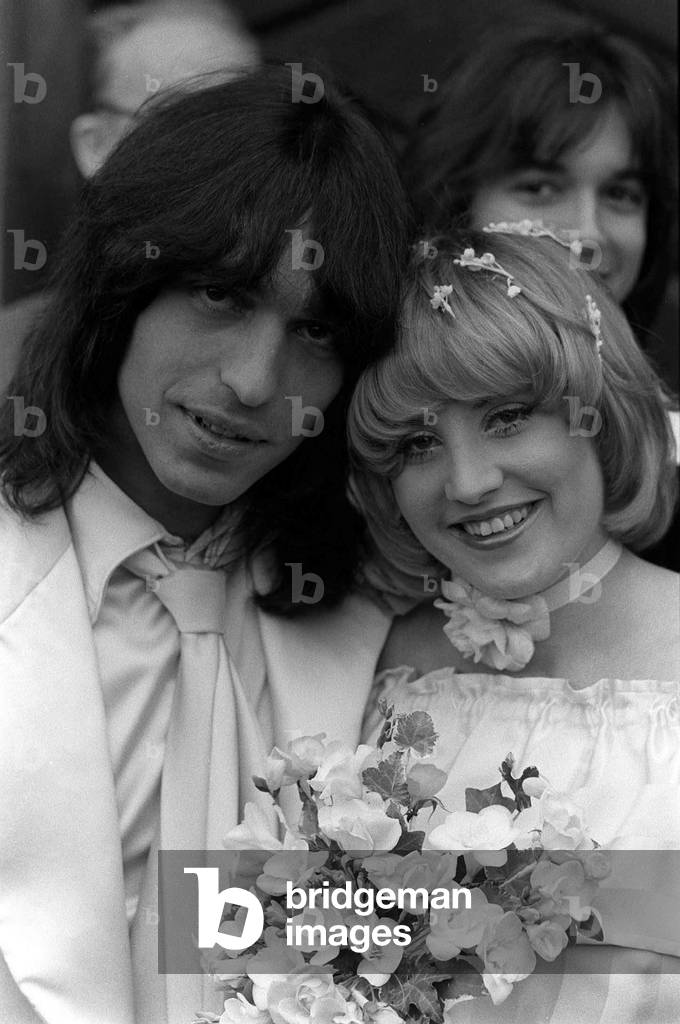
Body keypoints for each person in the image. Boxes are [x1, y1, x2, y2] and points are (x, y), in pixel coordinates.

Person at [0, 64, 410, 1024]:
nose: (255, 381)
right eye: (221, 296)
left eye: (314, 330)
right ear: (120, 284)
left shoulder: (380, 617)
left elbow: (532, 915)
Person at [349, 229, 679, 1023]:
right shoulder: (365, 669)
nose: (468, 481)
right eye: (419, 442)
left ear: (599, 415)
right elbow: (256, 935)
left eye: (505, 417)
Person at [403, 7, 679, 572]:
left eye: (622, 194)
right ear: (455, 202)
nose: (588, 234)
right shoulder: (375, 423)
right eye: (539, 186)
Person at [0, 0, 259, 390]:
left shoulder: (297, 332)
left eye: (238, 126)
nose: (213, 153)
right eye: (173, 121)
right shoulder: (13, 356)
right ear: (96, 147)